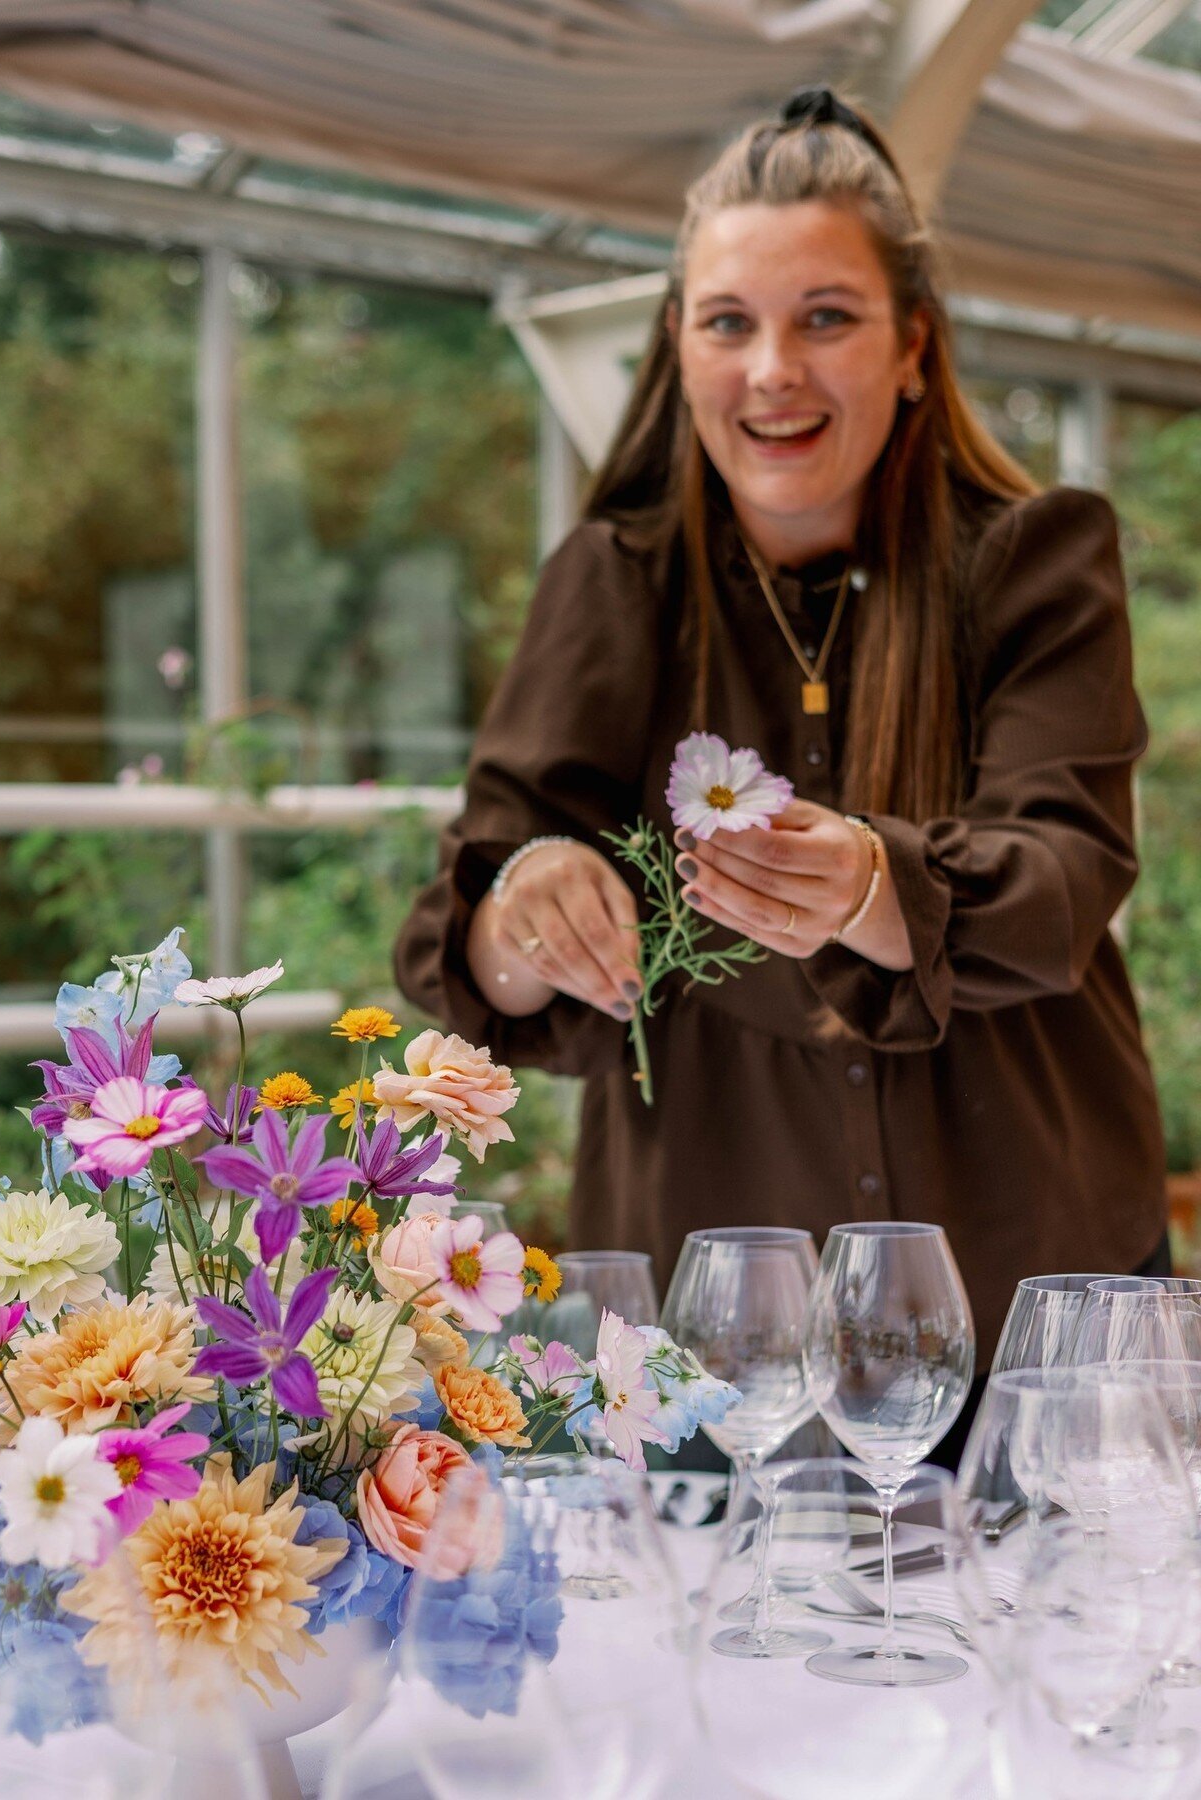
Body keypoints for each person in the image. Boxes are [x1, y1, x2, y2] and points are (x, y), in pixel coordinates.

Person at [391, 87, 1169, 1453]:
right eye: (728, 322)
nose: (773, 371)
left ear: (913, 348)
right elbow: (470, 943)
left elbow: (1063, 879)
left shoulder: (1034, 560)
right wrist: (535, 907)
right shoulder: (615, 586)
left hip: (1034, 1334)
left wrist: (873, 883)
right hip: (718, 1356)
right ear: (679, 350)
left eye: (827, 317)